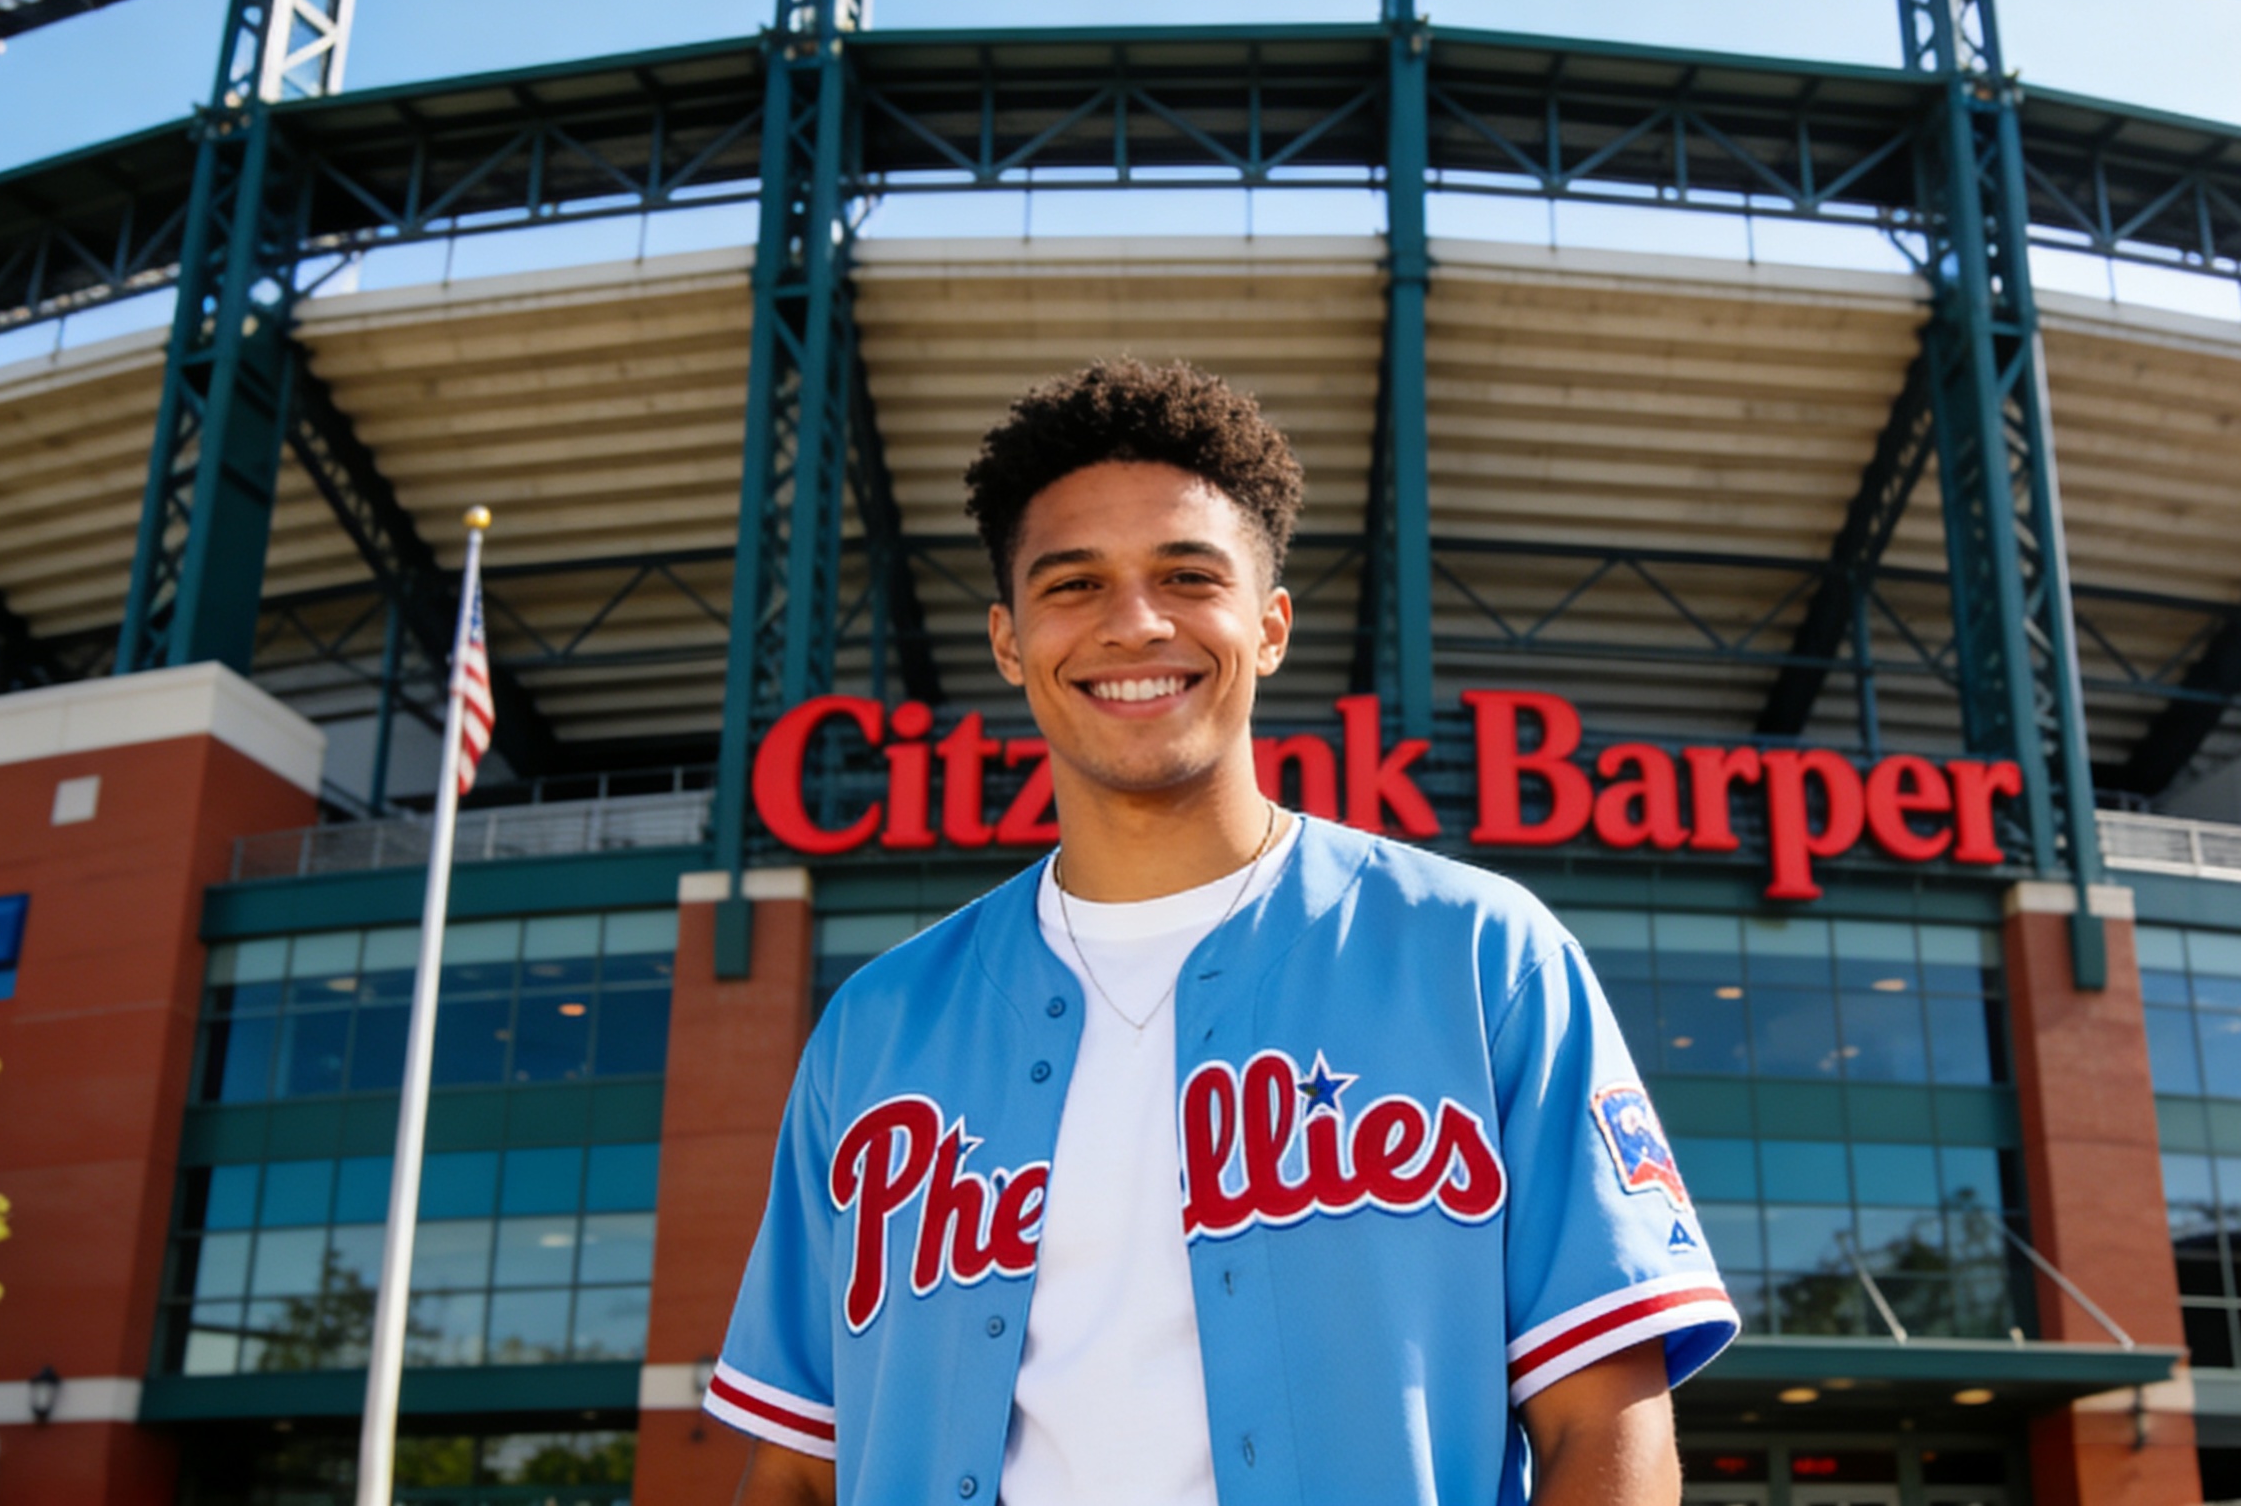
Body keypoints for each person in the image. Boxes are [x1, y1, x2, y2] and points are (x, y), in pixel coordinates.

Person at [705, 360, 1738, 1506]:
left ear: (1271, 622)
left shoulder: (1479, 954)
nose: (1134, 622)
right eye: (1074, 582)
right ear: (1008, 639)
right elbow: (797, 1465)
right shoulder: (877, 1028)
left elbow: (1607, 1424)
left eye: (1188, 575)